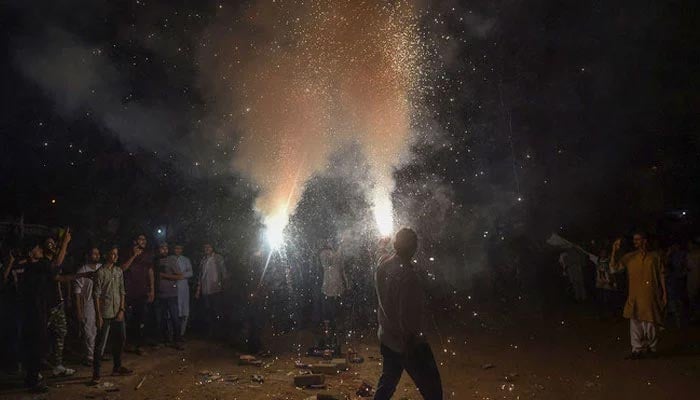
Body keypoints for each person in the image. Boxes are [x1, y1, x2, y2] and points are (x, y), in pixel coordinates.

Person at [374, 228, 442, 400]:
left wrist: (382, 245)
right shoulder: (408, 277)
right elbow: (407, 318)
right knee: (433, 389)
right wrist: (412, 345)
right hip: (408, 343)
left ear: (395, 245)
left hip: (387, 337)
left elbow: (380, 255)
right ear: (413, 248)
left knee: (387, 383)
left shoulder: (383, 265)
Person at [610, 232, 667, 359]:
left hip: (651, 295)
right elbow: (614, 268)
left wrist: (664, 293)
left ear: (645, 241)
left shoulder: (655, 257)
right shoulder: (630, 257)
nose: (635, 242)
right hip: (635, 295)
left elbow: (662, 274)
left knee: (651, 323)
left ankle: (652, 348)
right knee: (635, 322)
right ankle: (637, 349)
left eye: (638, 239)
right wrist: (614, 250)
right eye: (634, 239)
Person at [92, 246, 139, 384]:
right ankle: (96, 373)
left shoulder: (118, 271)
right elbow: (96, 296)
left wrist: (122, 310)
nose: (115, 256)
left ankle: (117, 367)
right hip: (105, 313)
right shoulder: (100, 272)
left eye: (116, 254)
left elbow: (122, 291)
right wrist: (98, 315)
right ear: (107, 255)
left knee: (120, 339)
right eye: (112, 254)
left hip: (117, 312)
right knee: (100, 344)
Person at [43, 232, 76, 377]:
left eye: (53, 243)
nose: (53, 245)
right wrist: (65, 243)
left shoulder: (56, 261)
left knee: (61, 333)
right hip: (45, 305)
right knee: (40, 336)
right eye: (49, 243)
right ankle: (35, 368)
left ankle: (57, 364)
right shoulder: (43, 263)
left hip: (57, 303)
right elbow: (57, 266)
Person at [121, 234, 155, 355]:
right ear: (135, 241)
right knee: (128, 320)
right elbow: (122, 269)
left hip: (142, 291)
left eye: (145, 239)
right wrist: (134, 255)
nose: (144, 241)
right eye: (141, 239)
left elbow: (150, 272)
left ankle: (139, 346)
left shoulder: (148, 255)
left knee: (141, 319)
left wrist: (152, 289)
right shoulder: (127, 253)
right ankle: (127, 344)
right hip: (129, 292)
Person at [74, 248, 102, 366]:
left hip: (101, 303)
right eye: (94, 253)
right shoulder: (83, 270)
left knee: (100, 330)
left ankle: (98, 354)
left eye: (98, 253)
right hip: (88, 304)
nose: (96, 255)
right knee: (89, 331)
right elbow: (77, 293)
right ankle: (90, 356)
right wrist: (79, 310)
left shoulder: (102, 268)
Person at [155, 242, 184, 349]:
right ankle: (165, 340)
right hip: (159, 294)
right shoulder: (156, 261)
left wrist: (164, 275)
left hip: (171, 294)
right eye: (161, 248)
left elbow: (180, 276)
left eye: (166, 248)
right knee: (161, 319)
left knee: (174, 318)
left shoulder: (171, 260)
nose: (164, 250)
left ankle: (177, 340)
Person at [195, 243, 226, 337]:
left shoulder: (218, 257)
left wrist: (224, 285)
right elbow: (200, 275)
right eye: (205, 247)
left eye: (209, 247)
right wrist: (198, 289)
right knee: (207, 311)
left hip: (216, 289)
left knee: (216, 311)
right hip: (205, 289)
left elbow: (223, 271)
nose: (207, 249)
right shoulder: (203, 260)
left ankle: (218, 333)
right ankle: (209, 332)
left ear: (212, 248)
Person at [320, 241, 346, 330]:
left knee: (337, 307)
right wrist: (338, 250)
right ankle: (328, 329)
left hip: (337, 284)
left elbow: (342, 268)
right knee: (328, 308)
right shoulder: (324, 253)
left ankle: (337, 327)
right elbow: (329, 262)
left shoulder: (336, 253)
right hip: (328, 285)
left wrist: (346, 281)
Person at [665, 241, 689, 328]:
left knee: (678, 300)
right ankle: (677, 321)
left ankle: (680, 321)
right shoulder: (671, 255)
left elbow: (684, 266)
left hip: (679, 280)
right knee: (672, 300)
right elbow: (666, 265)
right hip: (672, 280)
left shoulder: (682, 254)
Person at [173, 244, 193, 336]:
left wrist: (181, 275)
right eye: (176, 248)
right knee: (174, 311)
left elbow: (190, 273)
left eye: (179, 248)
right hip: (173, 287)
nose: (178, 250)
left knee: (184, 311)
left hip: (184, 287)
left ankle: (182, 333)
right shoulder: (171, 259)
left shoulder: (186, 260)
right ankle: (173, 333)